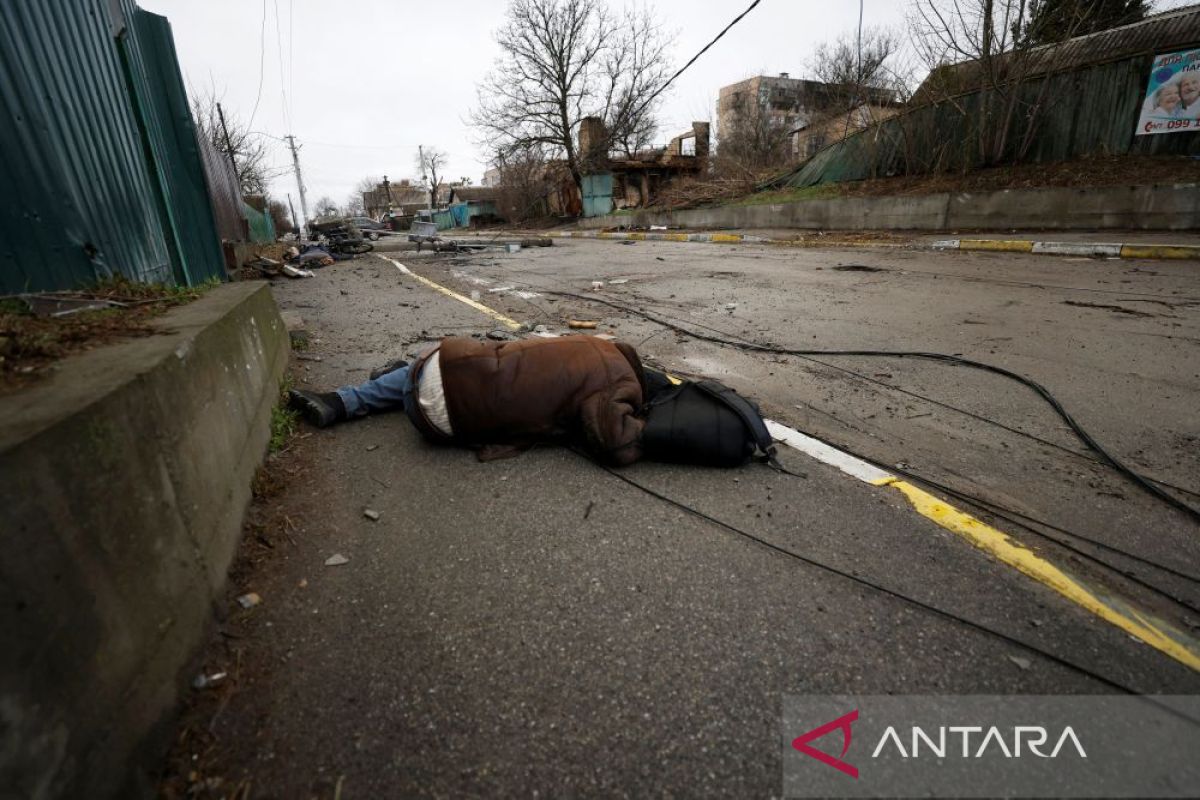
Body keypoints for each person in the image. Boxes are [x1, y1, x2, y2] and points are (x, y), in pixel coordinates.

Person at [289, 335, 648, 465]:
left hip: (435, 374)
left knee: (443, 362)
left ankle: (343, 401)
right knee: (446, 376)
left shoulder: (592, 344)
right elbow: (616, 442)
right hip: (439, 425)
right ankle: (400, 378)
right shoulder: (615, 386)